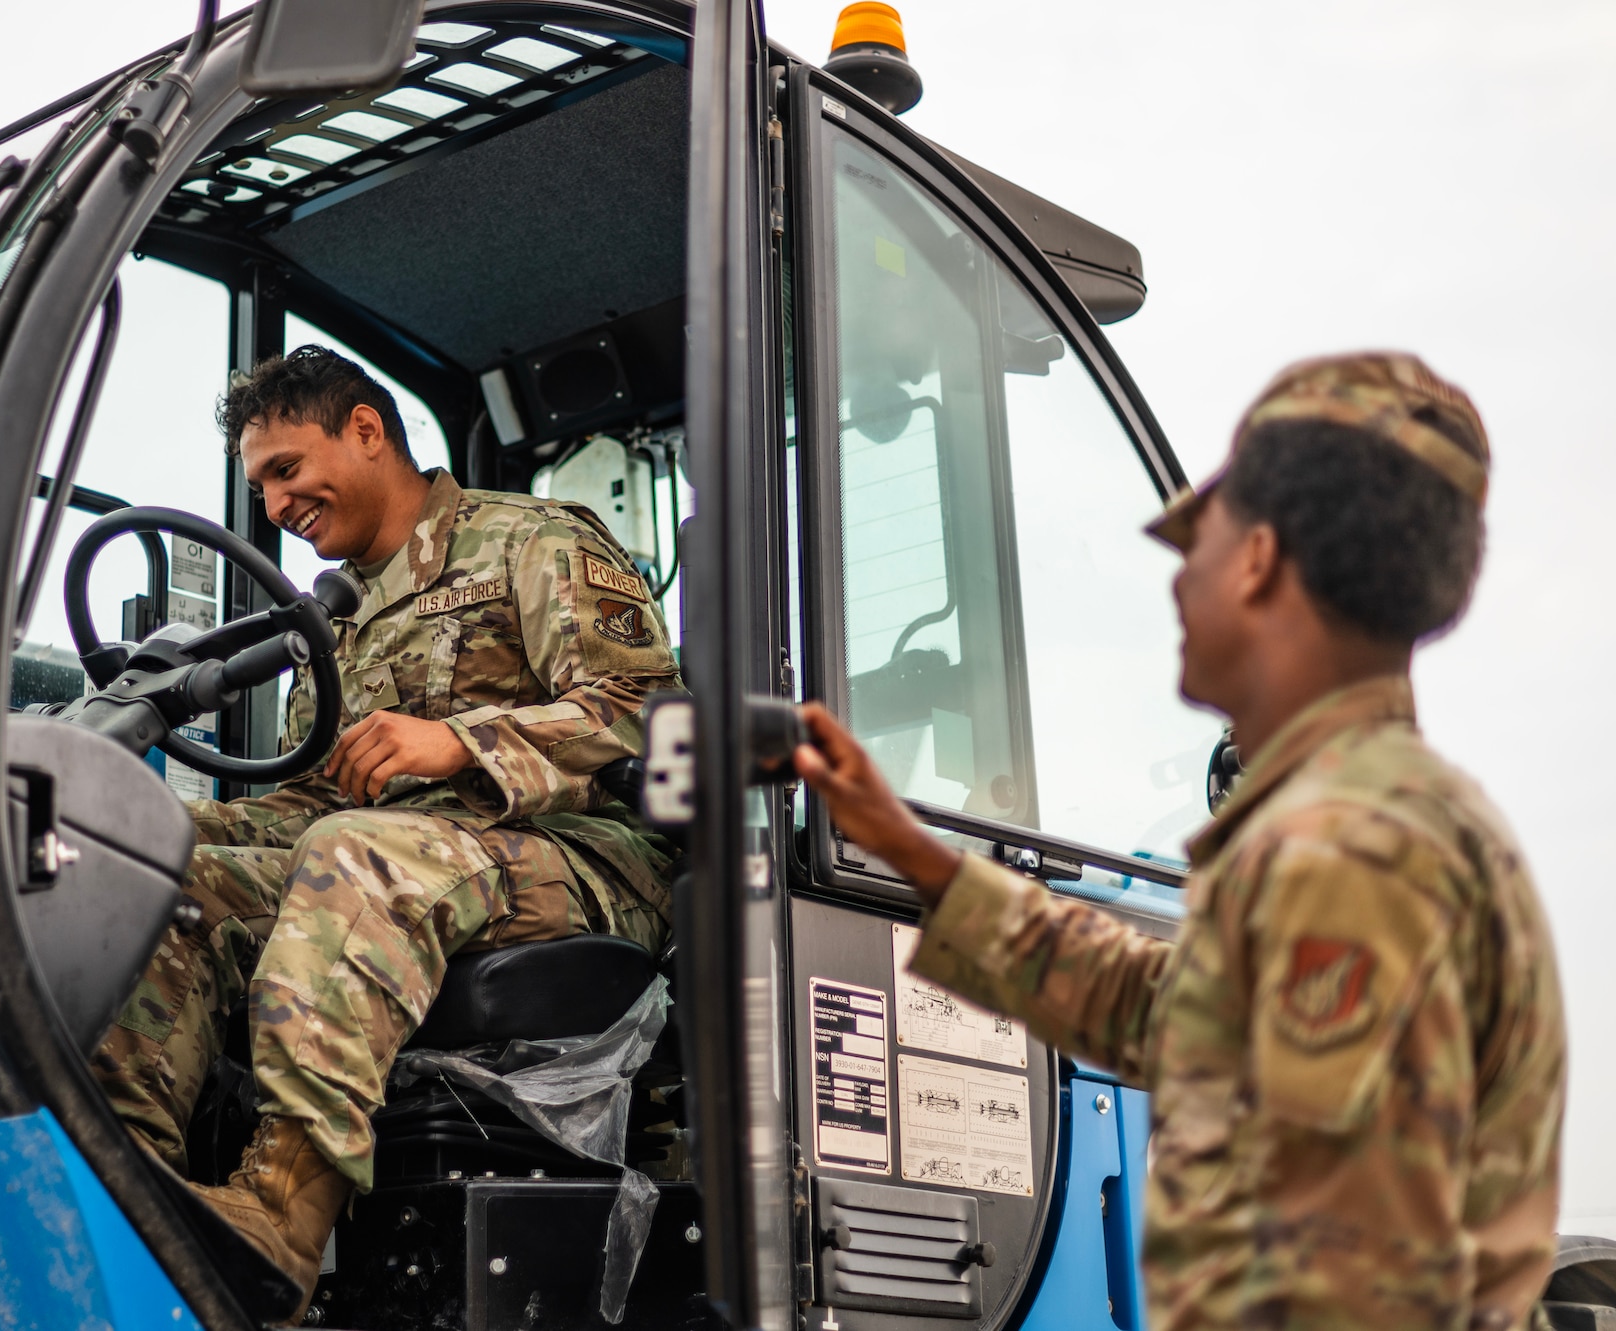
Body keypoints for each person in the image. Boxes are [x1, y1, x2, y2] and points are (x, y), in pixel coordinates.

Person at [794, 352, 1565, 1331]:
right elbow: (1159, 1012)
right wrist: (910, 847)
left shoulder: (1353, 852)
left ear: (1256, 562)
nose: (1176, 586)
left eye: (1193, 545)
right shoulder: (1355, 827)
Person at [91, 346, 680, 1311]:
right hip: (388, 857)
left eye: (288, 470)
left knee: (352, 853)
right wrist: (180, 827)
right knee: (162, 868)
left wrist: (456, 742)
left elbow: (642, 703)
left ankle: (279, 1214)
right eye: (262, 486)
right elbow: (321, 797)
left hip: (575, 860)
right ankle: (129, 1190)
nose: (277, 507)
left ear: (366, 430)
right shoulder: (335, 623)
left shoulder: (529, 540)